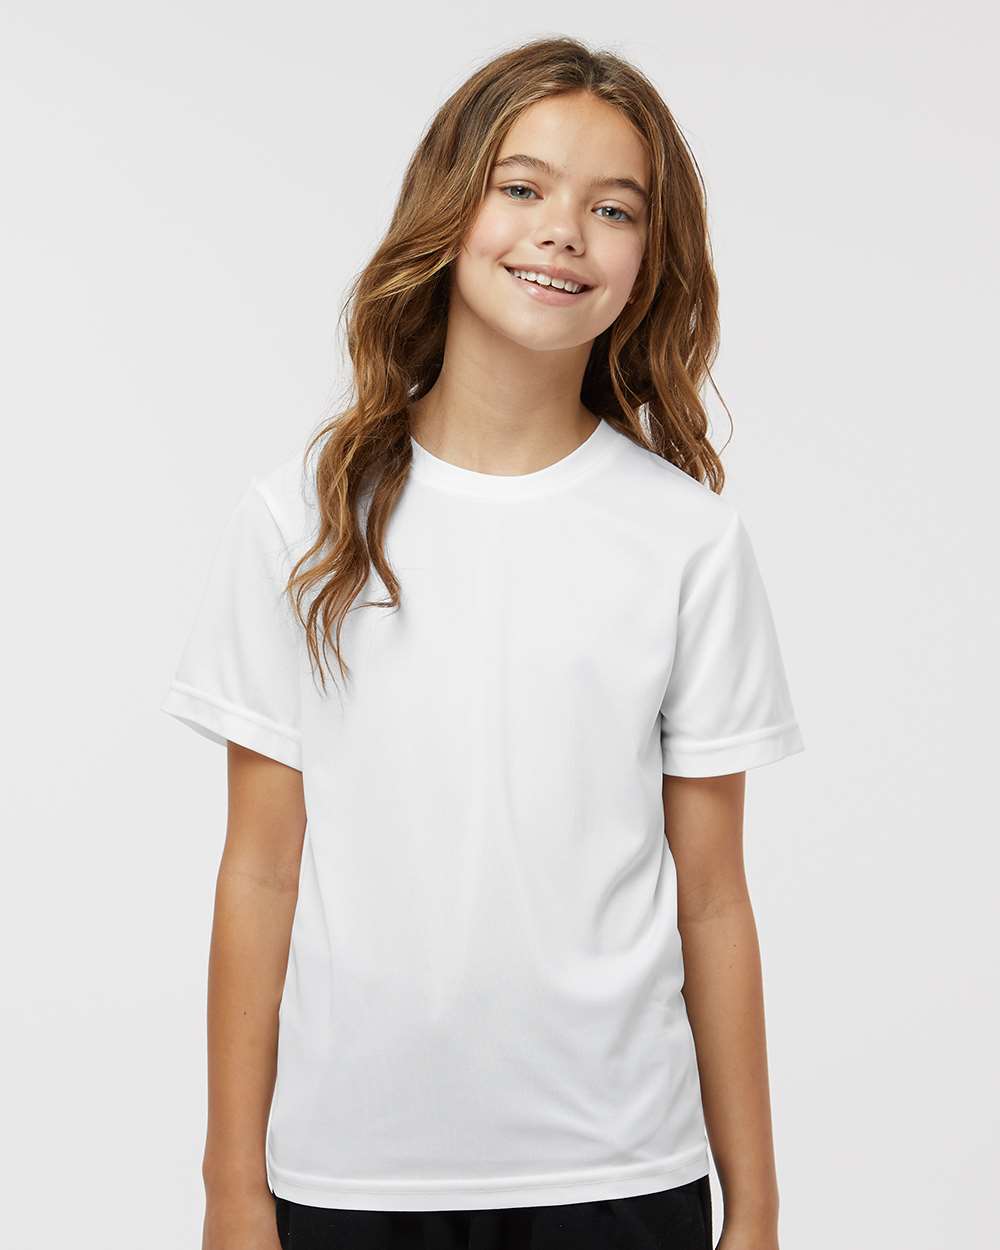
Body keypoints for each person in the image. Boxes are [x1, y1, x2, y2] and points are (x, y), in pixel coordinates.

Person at [161, 35, 805, 1250]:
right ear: (449, 210)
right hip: (348, 1177)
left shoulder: (686, 540)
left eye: (613, 209)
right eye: (523, 186)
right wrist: (231, 1189)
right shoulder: (302, 520)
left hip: (620, 1173)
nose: (563, 231)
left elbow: (714, 898)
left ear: (646, 263)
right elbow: (259, 870)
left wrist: (757, 1205)